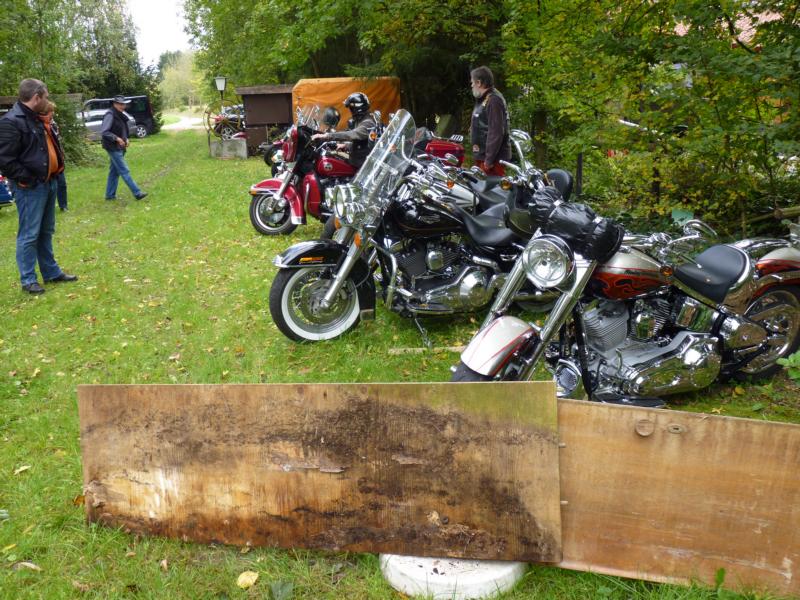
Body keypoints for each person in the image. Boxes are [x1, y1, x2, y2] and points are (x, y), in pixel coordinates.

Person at [0, 78, 77, 294]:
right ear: (36, 97)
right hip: (30, 187)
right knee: (29, 234)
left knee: (46, 231)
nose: (47, 100)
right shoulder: (11, 121)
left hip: (48, 182)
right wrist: (27, 179)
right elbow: (5, 160)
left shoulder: (36, 118)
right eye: (46, 97)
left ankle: (51, 272)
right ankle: (28, 280)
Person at [311, 92, 377, 168]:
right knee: (332, 157)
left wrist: (327, 135)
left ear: (357, 108)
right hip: (355, 160)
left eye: (351, 109)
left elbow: (352, 134)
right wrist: (346, 145)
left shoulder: (368, 123)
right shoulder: (362, 119)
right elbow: (363, 144)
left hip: (362, 167)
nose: (351, 111)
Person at [101, 95, 147, 201]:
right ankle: (137, 193)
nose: (123, 106)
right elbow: (104, 132)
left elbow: (122, 129)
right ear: (115, 104)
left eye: (124, 104)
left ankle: (109, 195)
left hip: (119, 146)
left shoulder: (120, 114)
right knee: (124, 170)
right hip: (112, 146)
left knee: (114, 171)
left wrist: (126, 139)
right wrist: (117, 138)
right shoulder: (110, 114)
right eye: (121, 104)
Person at [469, 66, 511, 176]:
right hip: (484, 157)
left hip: (492, 161)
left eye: (472, 82)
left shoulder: (494, 100)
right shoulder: (484, 99)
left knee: (492, 186)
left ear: (479, 83)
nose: (471, 85)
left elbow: (496, 132)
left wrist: (489, 160)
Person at [40, 101, 68, 211]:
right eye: (51, 111)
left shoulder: (53, 123)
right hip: (48, 161)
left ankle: (63, 205)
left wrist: (61, 153)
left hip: (58, 157)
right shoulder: (41, 125)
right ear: (46, 111)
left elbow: (58, 141)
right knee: (50, 186)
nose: (53, 113)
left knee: (62, 184)